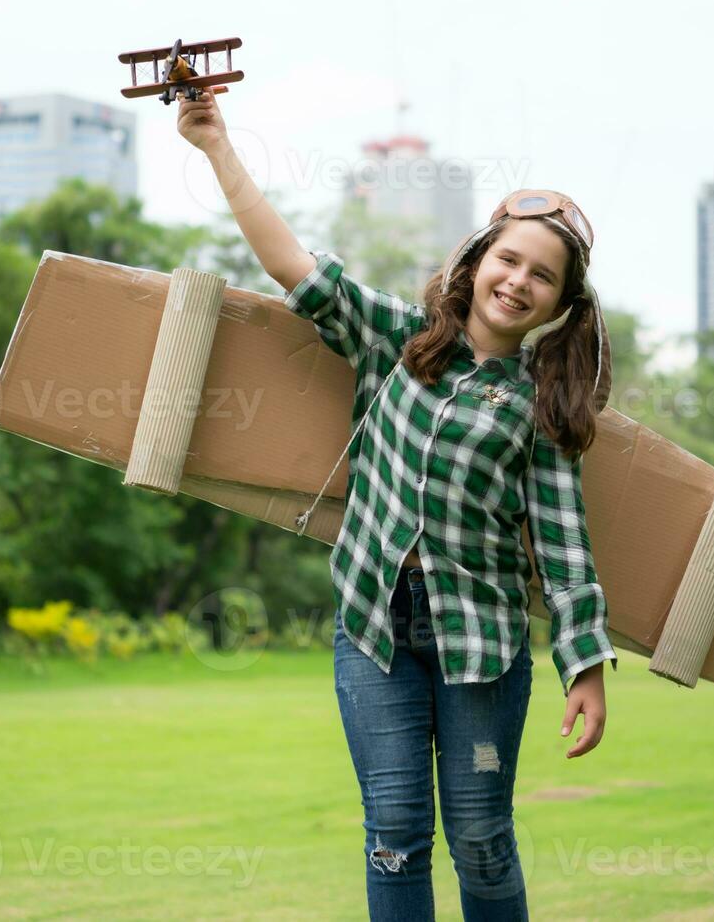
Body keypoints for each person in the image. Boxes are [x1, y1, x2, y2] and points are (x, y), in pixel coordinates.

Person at [177, 88, 617, 922]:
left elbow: (564, 550)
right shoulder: (396, 341)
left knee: (482, 839)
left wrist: (585, 664)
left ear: (559, 306)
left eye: (541, 277)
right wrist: (215, 146)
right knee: (395, 834)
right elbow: (292, 268)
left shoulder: (542, 407)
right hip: (374, 627)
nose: (518, 281)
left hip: (481, 644)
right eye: (508, 260)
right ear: (476, 258)